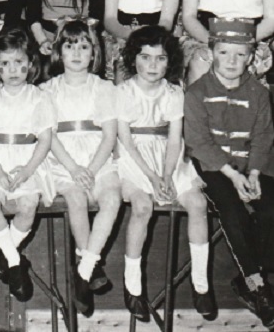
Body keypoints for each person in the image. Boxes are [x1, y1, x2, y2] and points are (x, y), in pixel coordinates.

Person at [116, 26, 212, 322]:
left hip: (167, 157)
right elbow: (126, 140)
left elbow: (174, 139)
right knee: (143, 207)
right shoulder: (122, 91)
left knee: (198, 204)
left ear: (170, 62)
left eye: (160, 59)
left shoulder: (174, 93)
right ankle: (132, 287)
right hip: (132, 158)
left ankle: (201, 284)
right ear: (134, 60)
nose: (153, 66)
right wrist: (152, 177)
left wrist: (167, 175)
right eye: (146, 58)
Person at [184, 17, 274, 328]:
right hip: (215, 169)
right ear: (212, 53)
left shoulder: (260, 95)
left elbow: (264, 136)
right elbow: (198, 142)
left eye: (240, 54)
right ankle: (256, 285)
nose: (232, 61)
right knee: (233, 212)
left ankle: (256, 272)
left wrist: (254, 173)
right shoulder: (196, 94)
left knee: (271, 208)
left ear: (251, 56)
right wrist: (234, 177)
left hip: (253, 166)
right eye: (224, 53)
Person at [43, 20, 120, 317]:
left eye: (84, 46)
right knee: (75, 198)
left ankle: (83, 271)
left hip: (97, 159)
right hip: (64, 160)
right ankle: (89, 267)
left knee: (111, 199)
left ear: (94, 54)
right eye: (69, 45)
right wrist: (75, 168)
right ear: (59, 52)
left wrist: (91, 167)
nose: (76, 52)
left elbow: (110, 135)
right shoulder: (47, 89)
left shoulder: (104, 88)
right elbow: (47, 135)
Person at [0, 28, 54, 304]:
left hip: (26, 160)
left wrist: (28, 170)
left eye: (20, 62)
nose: (13, 70)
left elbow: (45, 139)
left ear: (30, 63)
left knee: (28, 206)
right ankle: (14, 262)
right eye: (6, 64)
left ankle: (5, 257)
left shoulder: (39, 96)